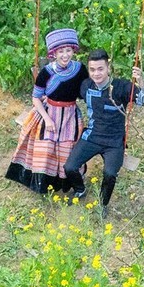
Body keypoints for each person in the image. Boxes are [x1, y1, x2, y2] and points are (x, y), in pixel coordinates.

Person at [64, 49, 144, 208]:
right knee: (69, 167)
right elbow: (65, 95)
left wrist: (141, 81)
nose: (96, 74)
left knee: (110, 174)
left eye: (100, 69)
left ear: (108, 68)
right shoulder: (86, 85)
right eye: (92, 69)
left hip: (114, 142)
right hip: (91, 136)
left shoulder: (122, 87)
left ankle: (102, 205)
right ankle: (80, 189)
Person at [6, 28, 88, 194]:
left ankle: (67, 183)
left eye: (68, 50)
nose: (65, 55)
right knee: (46, 149)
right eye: (61, 51)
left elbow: (86, 92)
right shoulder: (47, 72)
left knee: (67, 149)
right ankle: (43, 184)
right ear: (54, 53)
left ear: (73, 50)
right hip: (49, 114)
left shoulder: (80, 69)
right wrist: (47, 119)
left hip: (70, 116)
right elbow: (36, 97)